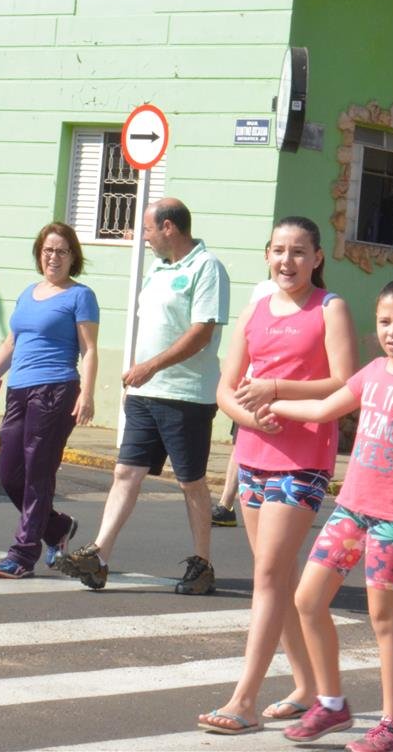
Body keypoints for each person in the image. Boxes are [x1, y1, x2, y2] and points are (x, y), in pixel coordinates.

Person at [264, 278, 393, 752]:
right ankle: (331, 703)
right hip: (352, 508)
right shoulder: (372, 372)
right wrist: (270, 402)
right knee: (307, 600)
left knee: (383, 618)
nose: (392, 331)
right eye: (385, 322)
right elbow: (326, 407)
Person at [196, 216, 357, 734]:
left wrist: (275, 390)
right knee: (280, 578)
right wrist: (249, 416)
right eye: (279, 251)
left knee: (267, 576)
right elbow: (226, 388)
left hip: (304, 458)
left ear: (317, 258)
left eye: (299, 251)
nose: (287, 261)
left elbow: (344, 381)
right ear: (267, 255)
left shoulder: (330, 308)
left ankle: (243, 699)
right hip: (253, 456)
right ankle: (311, 689)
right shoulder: (255, 310)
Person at [57, 198, 230, 594]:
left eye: (149, 230)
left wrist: (150, 366)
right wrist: (139, 374)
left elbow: (202, 333)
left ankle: (202, 564)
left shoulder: (207, 267)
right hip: (144, 393)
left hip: (186, 395)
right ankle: (99, 556)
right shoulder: (157, 268)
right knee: (125, 473)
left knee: (191, 482)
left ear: (169, 228)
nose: (145, 238)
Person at [0, 222, 99, 579]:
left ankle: (23, 554)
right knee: (9, 471)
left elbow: (89, 350)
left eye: (60, 251)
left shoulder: (80, 295)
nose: (53, 257)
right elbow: (11, 343)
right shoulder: (28, 293)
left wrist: (86, 394)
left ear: (73, 256)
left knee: (37, 475)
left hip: (56, 390)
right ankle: (56, 528)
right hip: (19, 391)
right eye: (47, 250)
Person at [211, 277, 280, 528]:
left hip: (275, 388)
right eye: (277, 250)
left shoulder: (320, 304)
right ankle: (227, 503)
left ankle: (246, 502)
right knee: (240, 443)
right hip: (251, 382)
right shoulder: (262, 288)